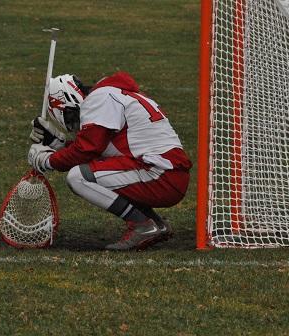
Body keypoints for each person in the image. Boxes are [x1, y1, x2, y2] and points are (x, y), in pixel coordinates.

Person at [28, 71, 192, 251]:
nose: (74, 124)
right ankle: (155, 224)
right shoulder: (115, 94)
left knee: (79, 177)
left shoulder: (99, 98)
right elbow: (105, 151)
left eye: (70, 117)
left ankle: (143, 226)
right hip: (167, 172)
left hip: (160, 174)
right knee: (101, 172)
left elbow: (87, 150)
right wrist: (59, 145)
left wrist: (48, 161)